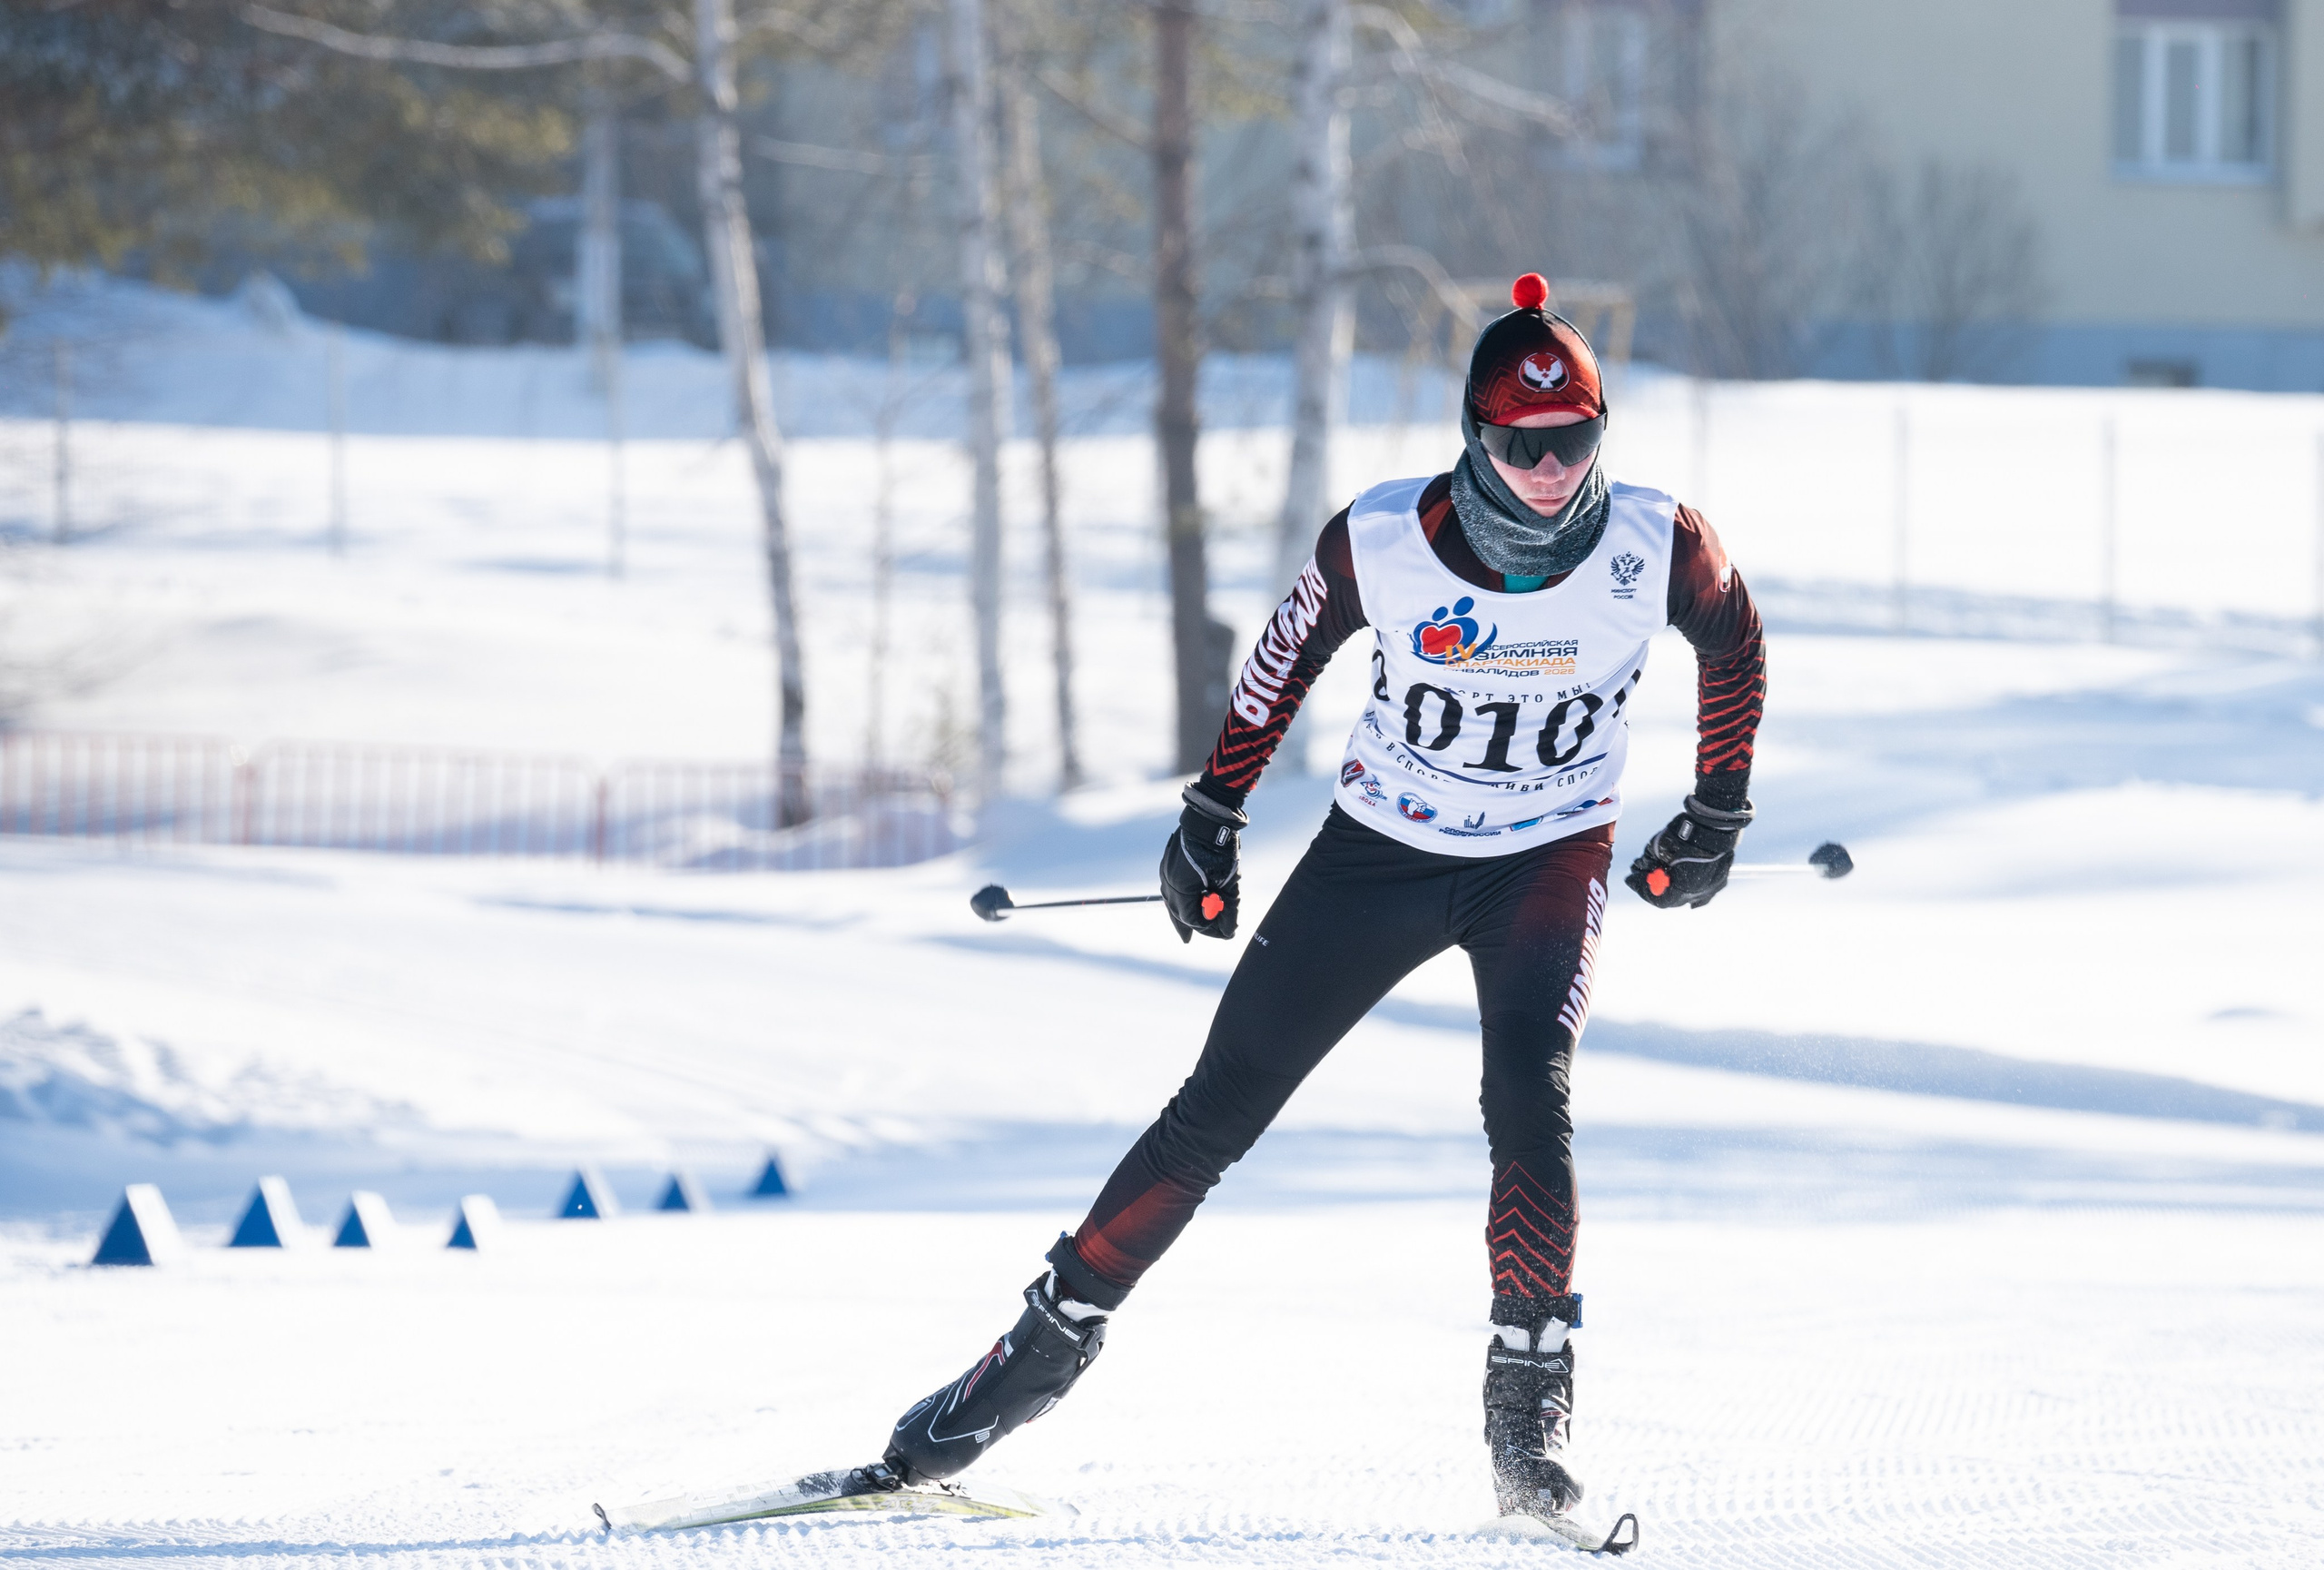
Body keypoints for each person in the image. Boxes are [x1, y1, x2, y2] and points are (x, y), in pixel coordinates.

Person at [875, 273, 1767, 1522]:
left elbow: (1735, 649)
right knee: (1215, 1111)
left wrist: (1718, 811)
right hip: (1379, 854)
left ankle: (1530, 1423)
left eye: (1576, 444)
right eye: (1525, 446)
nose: (1555, 470)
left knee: (1530, 1094)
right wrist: (1212, 815)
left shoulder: (1659, 543)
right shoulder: (1385, 540)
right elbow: (1285, 656)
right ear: (1476, 438)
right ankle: (1022, 1365)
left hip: (1546, 858)